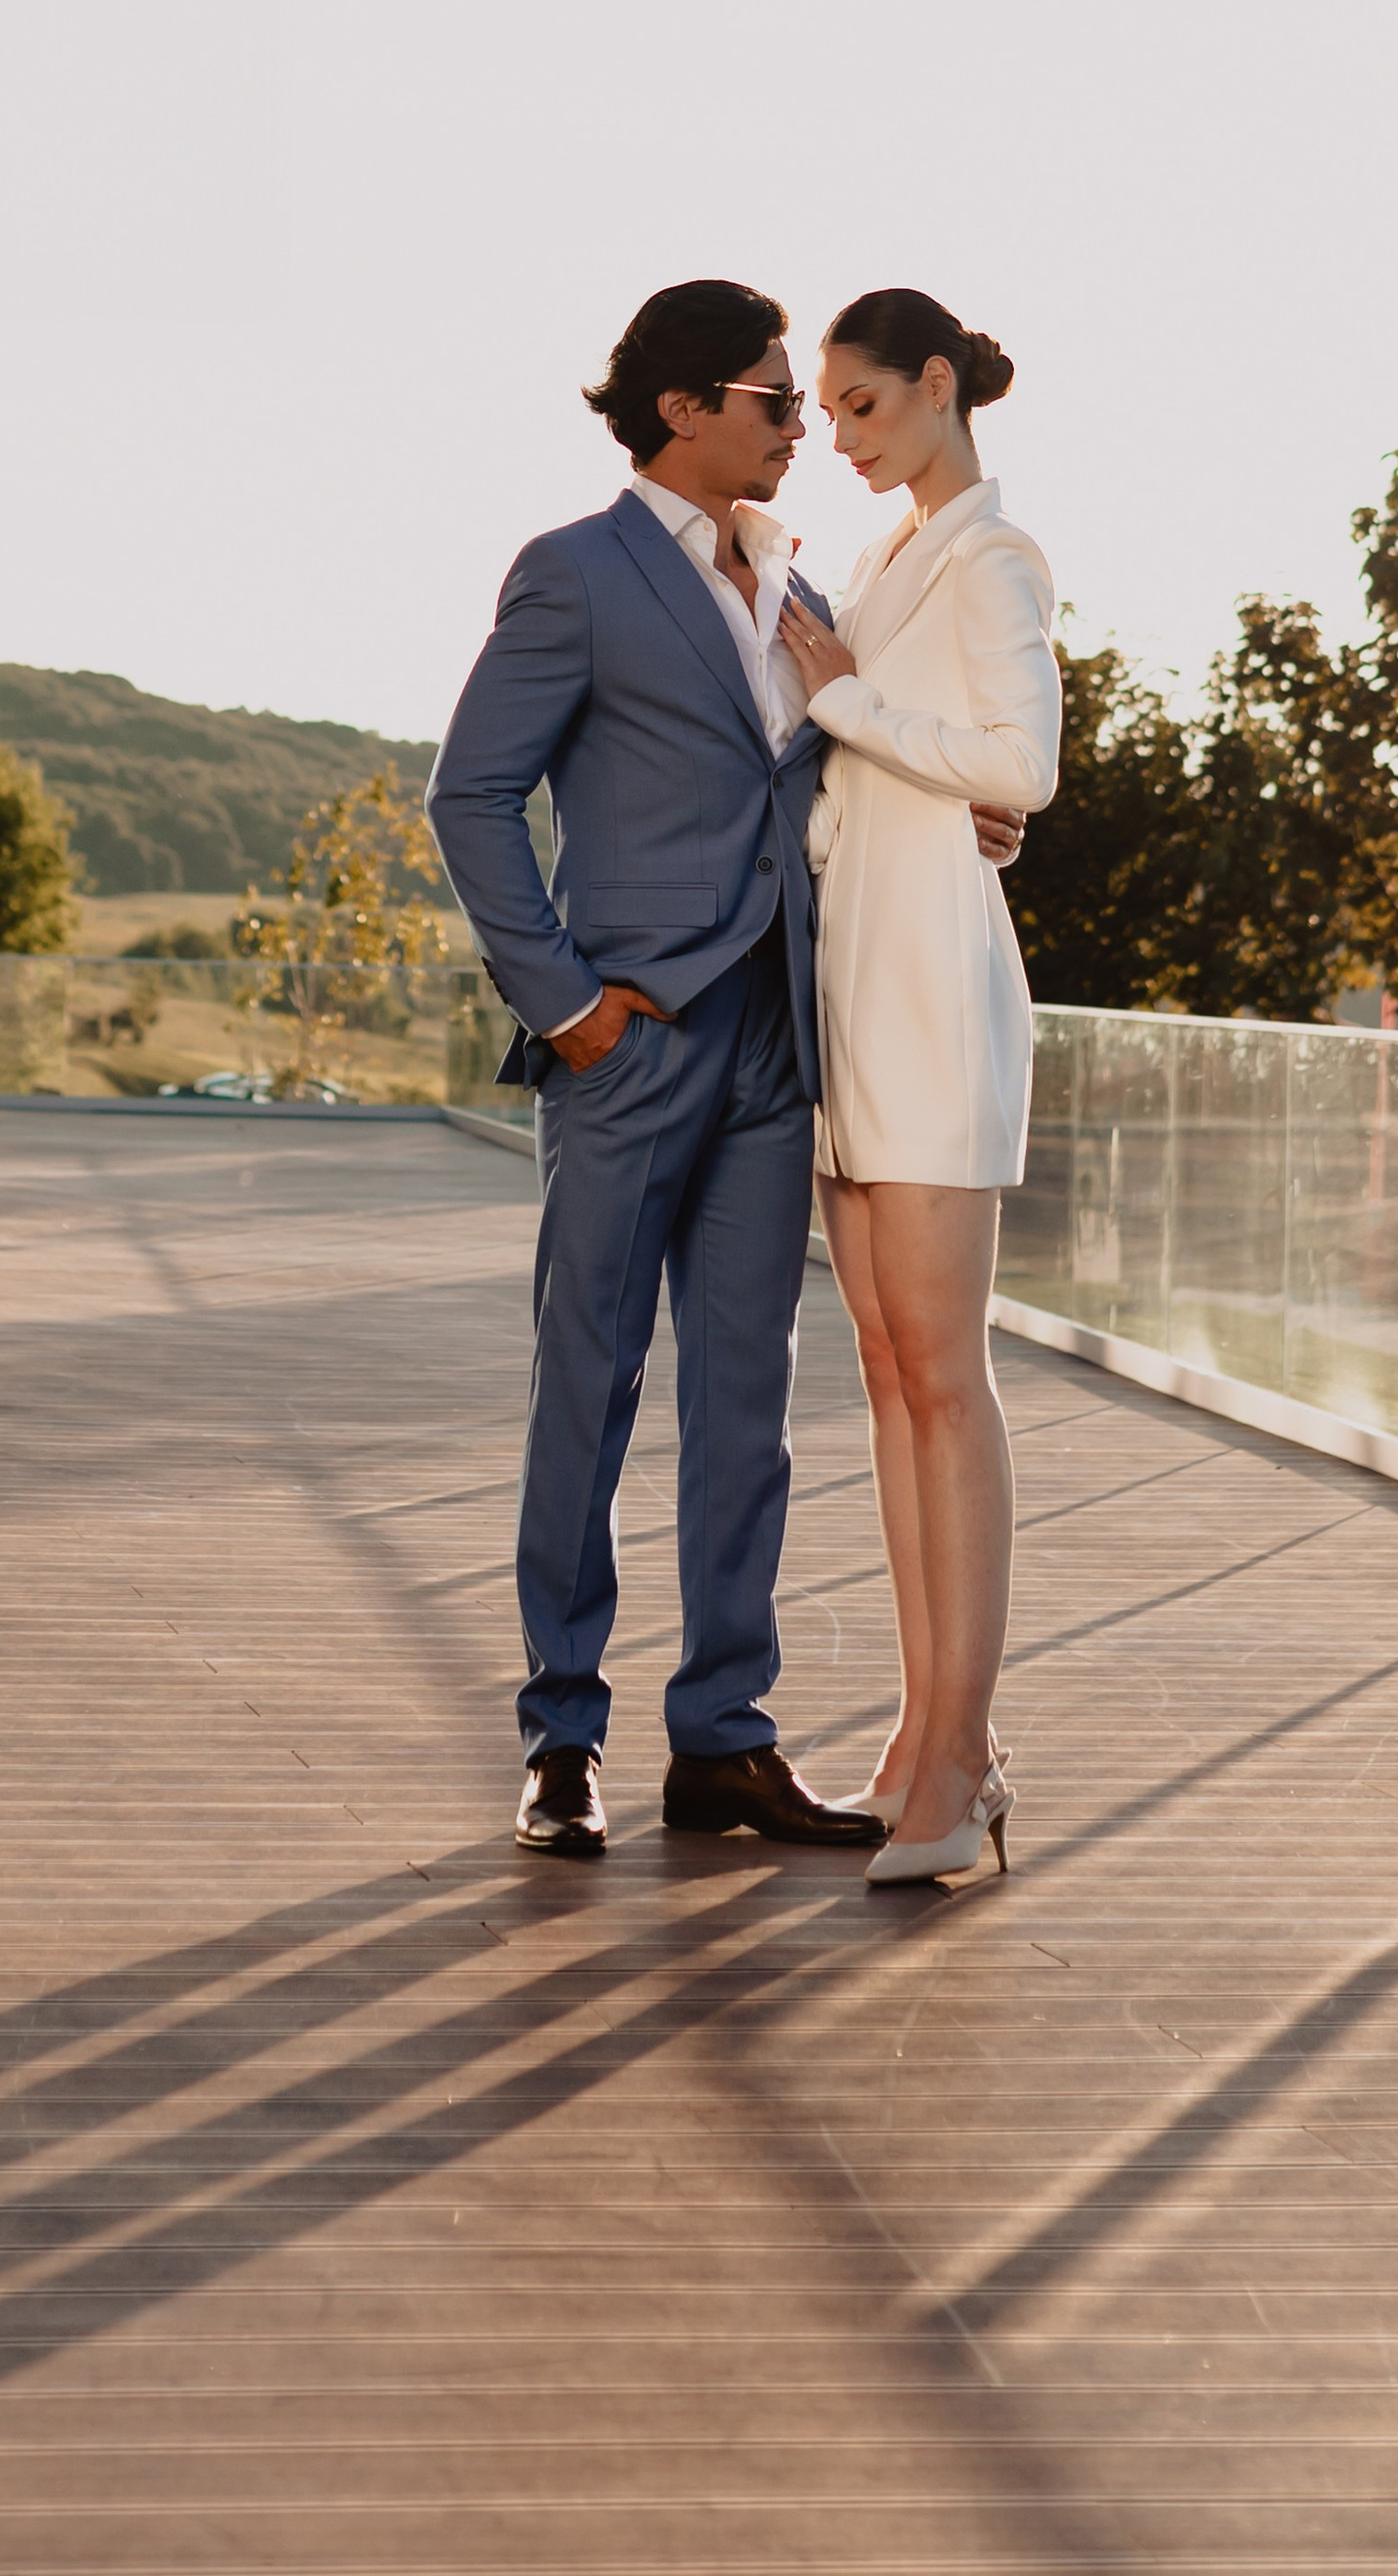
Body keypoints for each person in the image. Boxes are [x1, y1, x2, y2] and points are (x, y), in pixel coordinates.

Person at [426, 280, 1020, 1862]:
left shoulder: (799, 586)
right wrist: (567, 1006)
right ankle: (562, 1735)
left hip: (783, 1043)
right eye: (773, 403)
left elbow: (851, 759)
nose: (798, 431)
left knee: (748, 1402)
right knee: (594, 1387)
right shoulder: (576, 574)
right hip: (629, 1045)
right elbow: (469, 798)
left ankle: (725, 1741)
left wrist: (974, 809)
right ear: (684, 410)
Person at [775, 289, 1060, 1887]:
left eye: (864, 404)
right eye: (824, 408)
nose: (840, 432)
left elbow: (1020, 766)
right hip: (854, 993)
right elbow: (894, 765)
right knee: (889, 1375)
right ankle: (928, 1726)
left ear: (940, 387)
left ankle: (964, 1756)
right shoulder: (884, 561)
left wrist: (843, 701)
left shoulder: (992, 556)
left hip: (937, 1000)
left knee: (944, 1376)